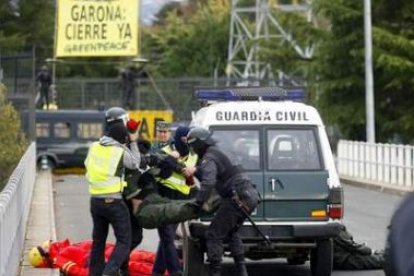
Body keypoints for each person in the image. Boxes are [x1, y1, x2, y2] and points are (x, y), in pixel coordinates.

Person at [186, 127, 260, 276]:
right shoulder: (221, 151)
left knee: (213, 234)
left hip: (236, 198)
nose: (193, 150)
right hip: (250, 195)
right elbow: (216, 172)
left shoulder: (209, 157)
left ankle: (215, 273)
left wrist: (197, 203)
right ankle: (242, 271)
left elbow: (208, 182)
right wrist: (196, 170)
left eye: (193, 146)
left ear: (199, 144)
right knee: (231, 232)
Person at [84, 106, 141, 276]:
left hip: (95, 201)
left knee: (98, 241)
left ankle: (94, 273)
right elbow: (135, 163)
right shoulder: (119, 151)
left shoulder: (94, 146)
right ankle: (109, 272)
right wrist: (133, 141)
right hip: (114, 201)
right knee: (124, 240)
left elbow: (87, 165)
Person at [152, 126, 199, 276]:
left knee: (168, 237)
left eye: (189, 140)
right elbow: (162, 174)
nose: (186, 143)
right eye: (184, 140)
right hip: (164, 197)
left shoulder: (194, 155)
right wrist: (172, 160)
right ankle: (175, 272)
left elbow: (197, 174)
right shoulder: (164, 152)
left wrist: (195, 170)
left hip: (181, 201)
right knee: (167, 236)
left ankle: (156, 271)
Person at [28, 239, 157, 276]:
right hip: (101, 262)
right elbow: (80, 272)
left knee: (140, 257)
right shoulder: (60, 259)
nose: (48, 246)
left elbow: (90, 245)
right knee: (137, 266)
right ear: (43, 259)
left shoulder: (62, 251)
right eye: (44, 249)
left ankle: (174, 263)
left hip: (103, 255)